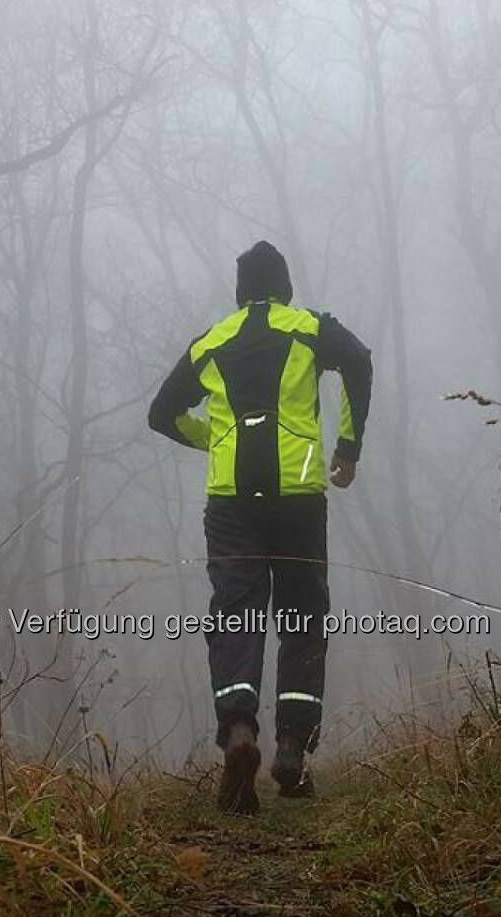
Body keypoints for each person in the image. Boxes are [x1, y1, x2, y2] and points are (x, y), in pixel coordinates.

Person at [148, 241, 372, 814]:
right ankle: (292, 748)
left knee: (234, 614)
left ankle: (240, 731)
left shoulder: (211, 341)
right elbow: (359, 361)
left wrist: (214, 440)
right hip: (298, 498)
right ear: (285, 287)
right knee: (303, 616)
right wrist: (347, 447)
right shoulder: (310, 328)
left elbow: (161, 413)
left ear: (240, 292)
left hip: (231, 504)